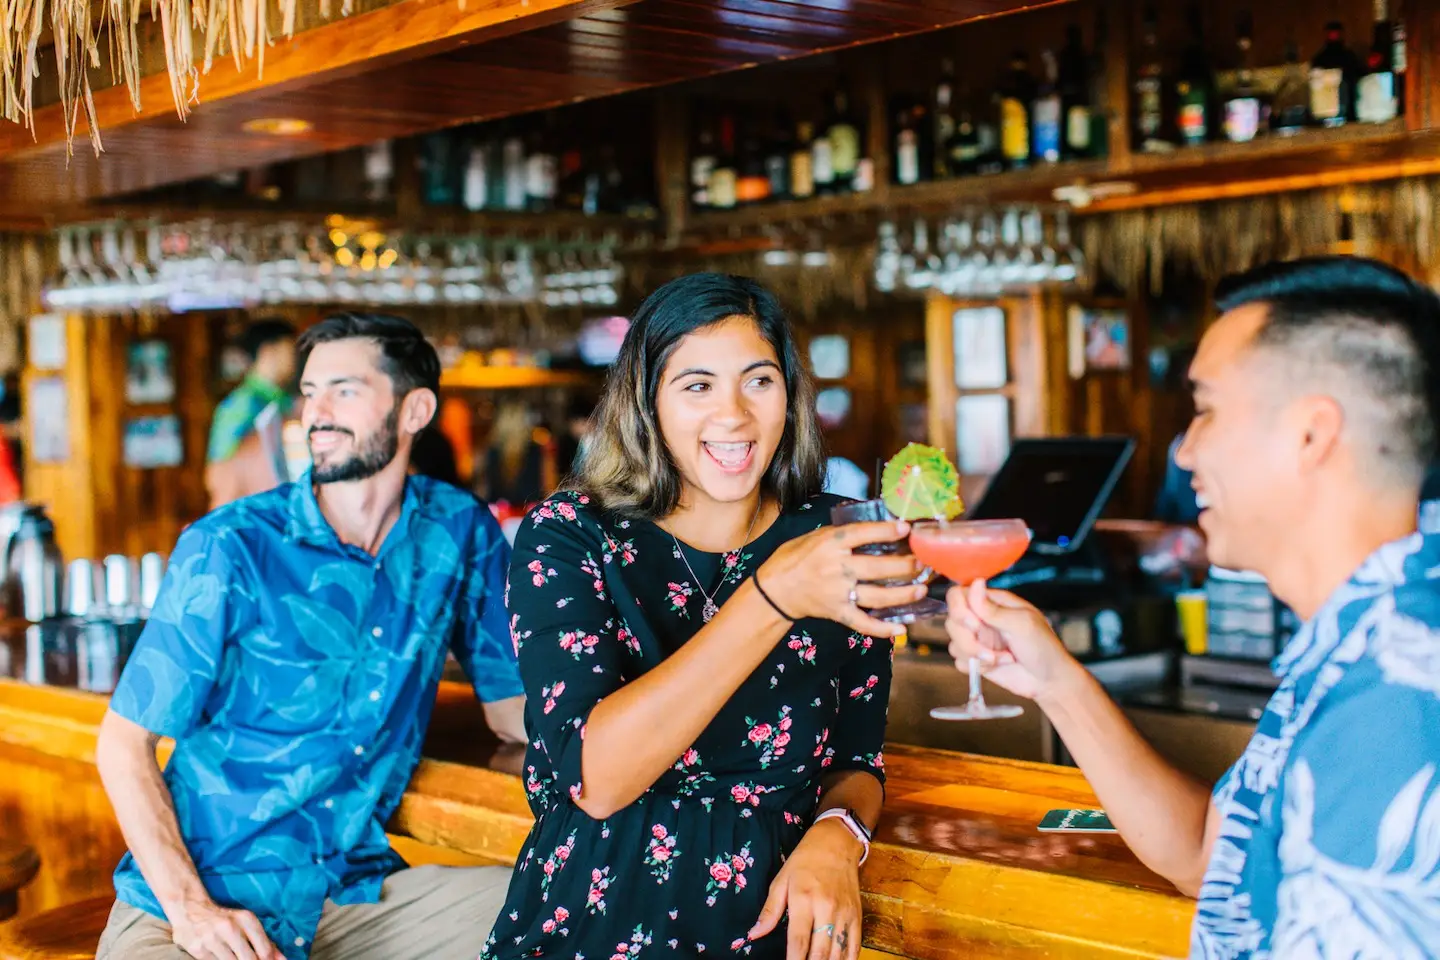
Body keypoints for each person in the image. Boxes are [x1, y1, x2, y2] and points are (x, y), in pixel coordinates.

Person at [944, 256, 1440, 957]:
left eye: (1206, 410)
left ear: (1311, 434)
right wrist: (1055, 681)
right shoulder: (1357, 640)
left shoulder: (1399, 692)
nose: (1184, 452)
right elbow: (1211, 861)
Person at [482, 273, 922, 960]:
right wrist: (772, 597)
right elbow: (597, 779)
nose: (734, 415)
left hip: (766, 929)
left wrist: (838, 835)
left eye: (758, 381)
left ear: (789, 396)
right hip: (592, 922)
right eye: (697, 386)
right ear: (648, 402)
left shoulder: (834, 536)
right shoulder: (571, 536)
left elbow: (856, 760)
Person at [94, 312, 528, 960]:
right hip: (198, 901)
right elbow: (122, 747)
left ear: (415, 410)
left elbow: (513, 710)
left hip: (353, 897)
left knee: (571, 908)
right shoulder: (230, 545)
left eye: (344, 391)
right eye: (309, 392)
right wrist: (192, 912)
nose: (316, 413)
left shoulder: (458, 530)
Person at [206, 319, 299, 509]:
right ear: (269, 351)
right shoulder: (242, 404)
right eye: (289, 349)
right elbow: (218, 472)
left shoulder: (285, 401)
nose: (294, 358)